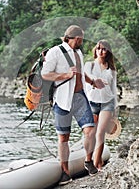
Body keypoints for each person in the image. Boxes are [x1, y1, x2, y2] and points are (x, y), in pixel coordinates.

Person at [41, 25, 105, 185]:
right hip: (62, 100)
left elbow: (80, 73)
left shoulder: (78, 53)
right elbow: (45, 74)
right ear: (76, 38)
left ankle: (88, 161)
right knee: (63, 137)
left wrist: (92, 82)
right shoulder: (55, 52)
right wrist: (66, 75)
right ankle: (65, 172)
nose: (82, 41)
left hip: (80, 97)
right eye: (81, 39)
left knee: (90, 130)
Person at [84, 40, 118, 171]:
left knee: (100, 133)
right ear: (95, 50)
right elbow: (87, 78)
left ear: (108, 51)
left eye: (104, 49)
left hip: (107, 103)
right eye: (98, 48)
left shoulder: (112, 70)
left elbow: (114, 90)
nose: (101, 51)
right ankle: (90, 161)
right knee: (91, 134)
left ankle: (97, 165)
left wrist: (115, 108)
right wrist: (96, 81)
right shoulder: (89, 65)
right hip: (92, 102)